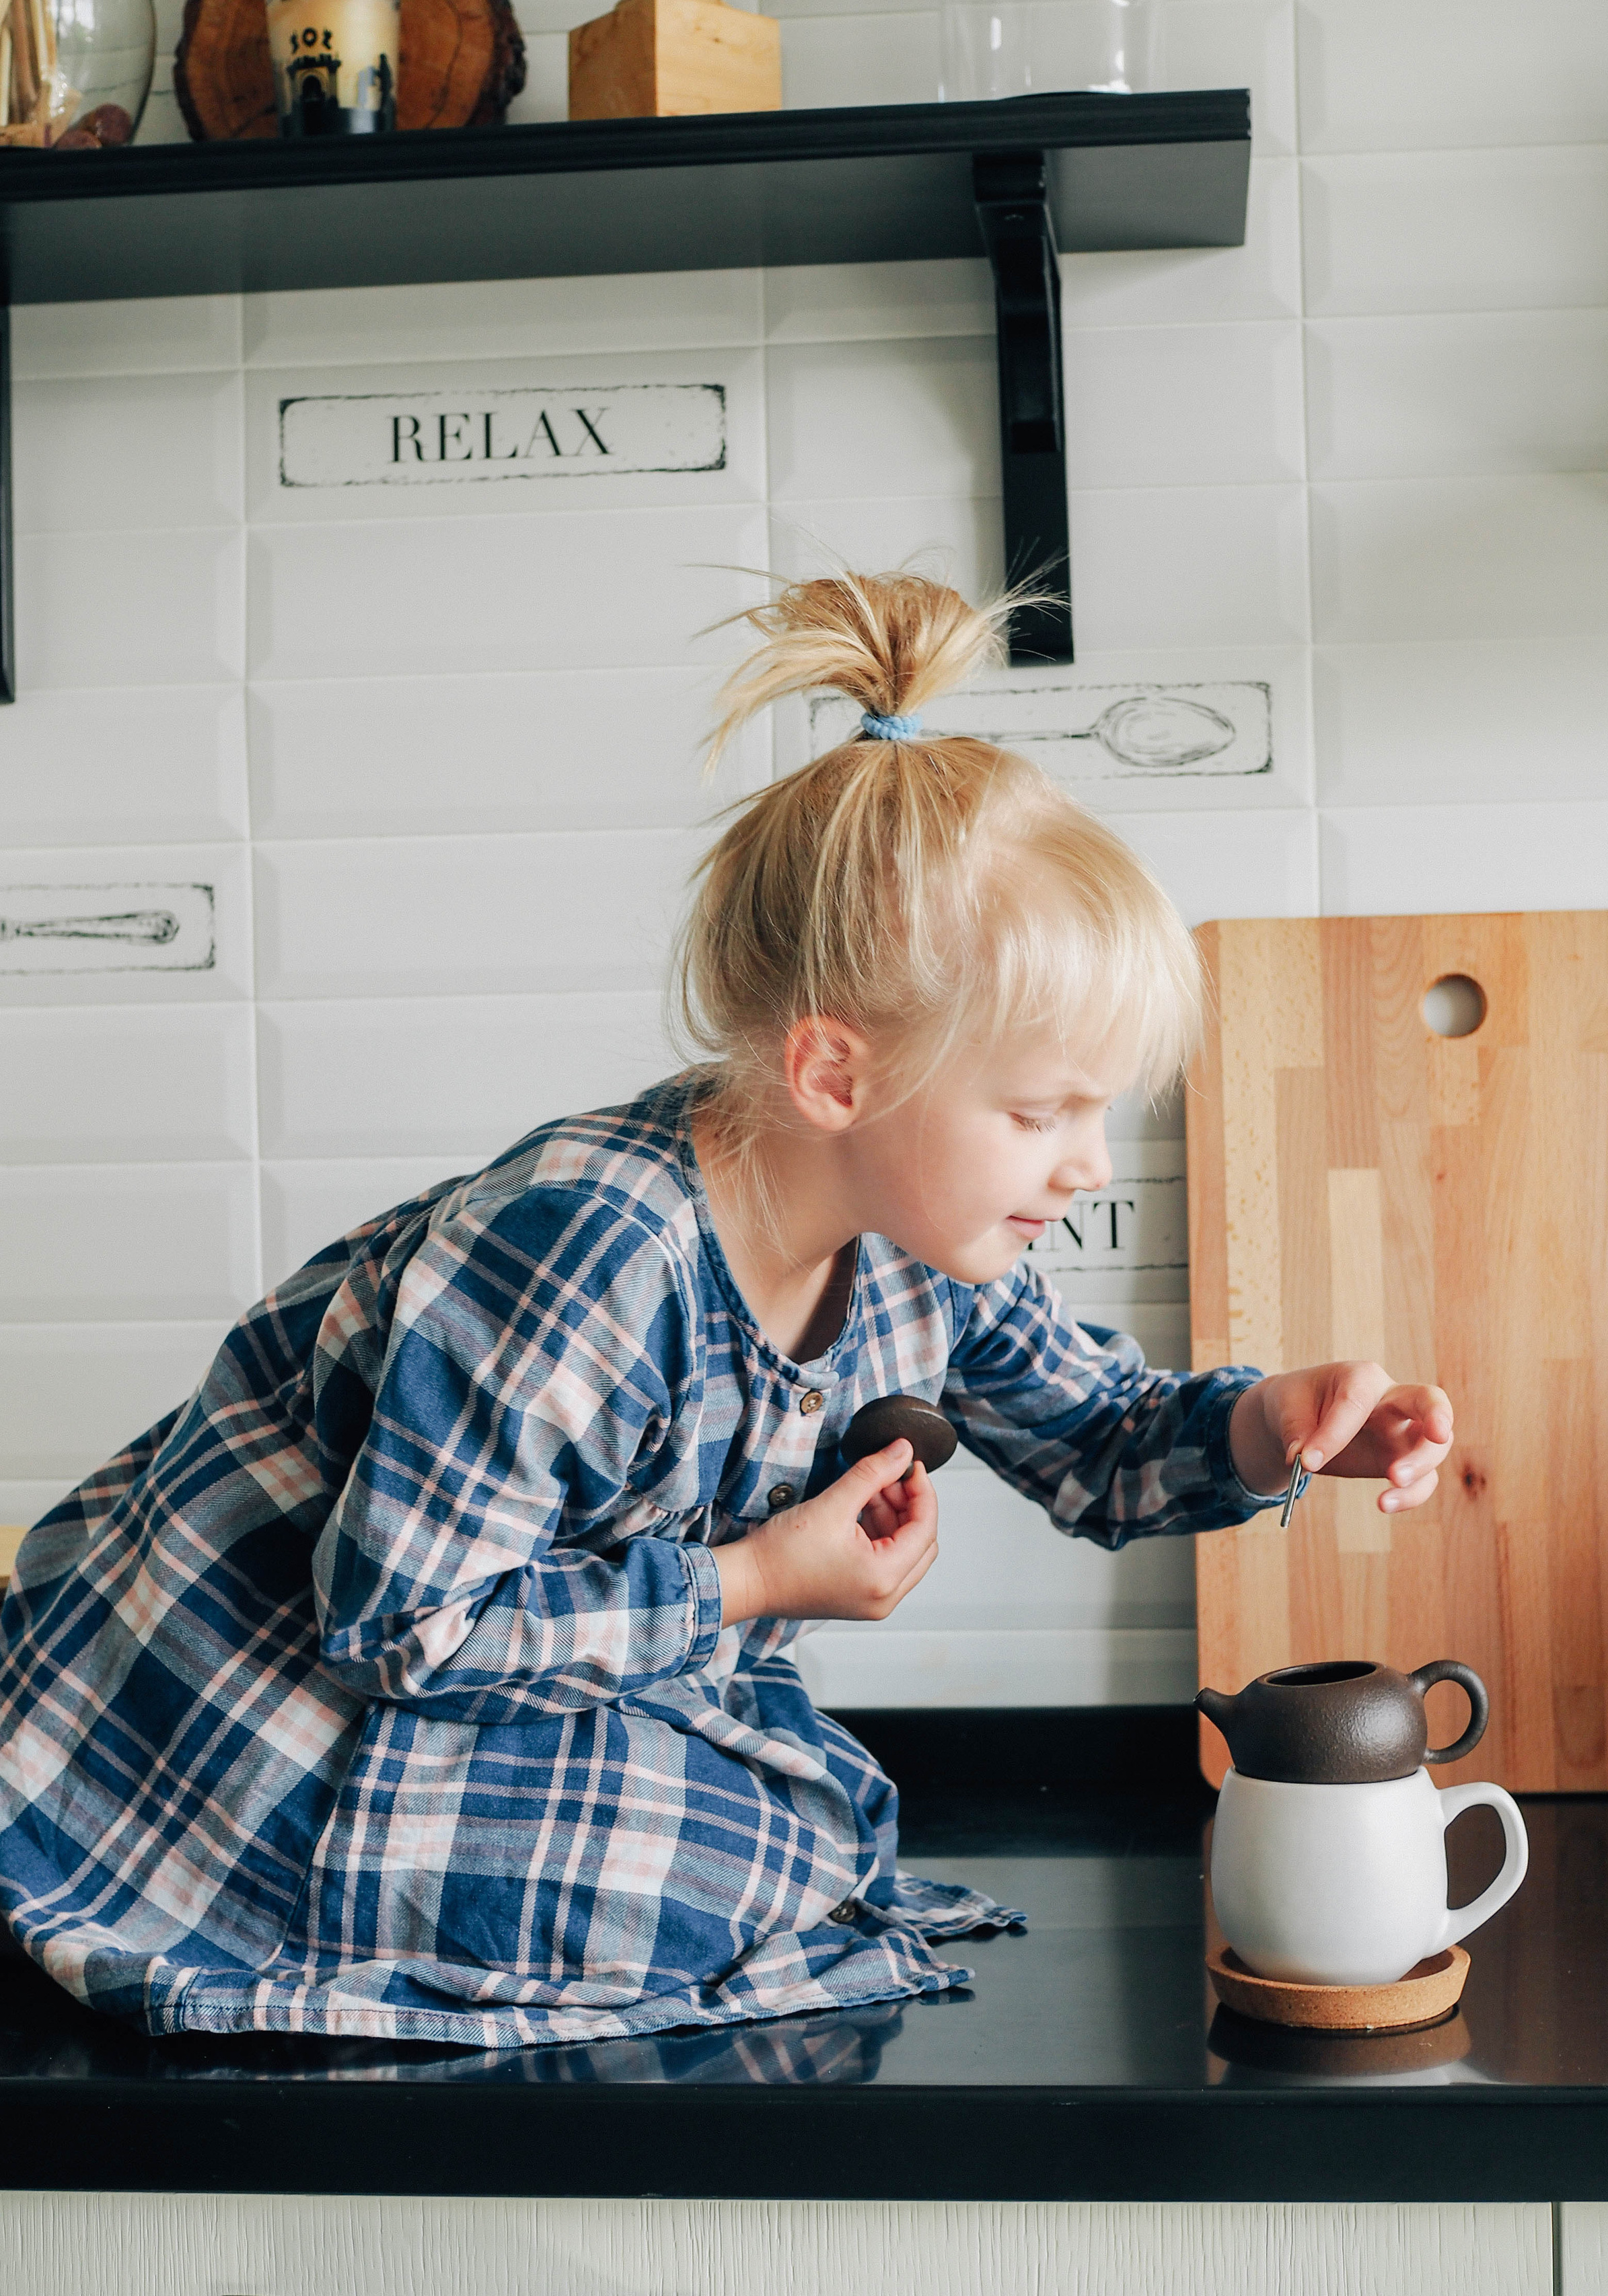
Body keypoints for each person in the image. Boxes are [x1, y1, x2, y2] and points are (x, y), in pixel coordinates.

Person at [0, 572, 1453, 2048]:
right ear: (836, 1075)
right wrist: (755, 1581)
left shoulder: (918, 1242)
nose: (1082, 1165)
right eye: (1038, 1111)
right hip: (253, 1697)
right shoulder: (585, 1252)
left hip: (518, 1678)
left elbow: (1101, 1440)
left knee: (788, 1836)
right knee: (722, 1869)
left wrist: (1278, 1426)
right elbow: (403, 1628)